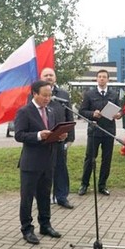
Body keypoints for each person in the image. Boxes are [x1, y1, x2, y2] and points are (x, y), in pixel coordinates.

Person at [14, 80, 68, 245]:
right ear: (34, 94)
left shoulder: (51, 111)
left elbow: (51, 133)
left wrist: (59, 137)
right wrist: (38, 135)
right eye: (44, 95)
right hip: (31, 163)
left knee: (45, 196)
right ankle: (27, 229)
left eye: (50, 95)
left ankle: (45, 225)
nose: (47, 98)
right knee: (27, 198)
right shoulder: (24, 111)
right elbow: (19, 135)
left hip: (48, 161)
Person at [78, 69, 122, 196]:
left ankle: (102, 185)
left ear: (108, 79)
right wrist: (92, 114)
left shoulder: (114, 94)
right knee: (90, 158)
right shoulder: (89, 94)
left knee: (106, 160)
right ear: (96, 79)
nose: (102, 79)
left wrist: (118, 115)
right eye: (100, 77)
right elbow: (82, 111)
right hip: (94, 131)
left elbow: (120, 110)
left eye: (104, 77)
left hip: (108, 131)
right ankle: (84, 184)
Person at [39, 68, 75, 209]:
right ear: (41, 78)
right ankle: (43, 197)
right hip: (43, 140)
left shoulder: (63, 94)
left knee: (61, 169)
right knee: (43, 170)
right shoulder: (34, 93)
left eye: (51, 75)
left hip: (60, 139)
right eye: (45, 75)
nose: (48, 77)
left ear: (55, 77)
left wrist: (70, 138)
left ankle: (61, 197)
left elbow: (69, 116)